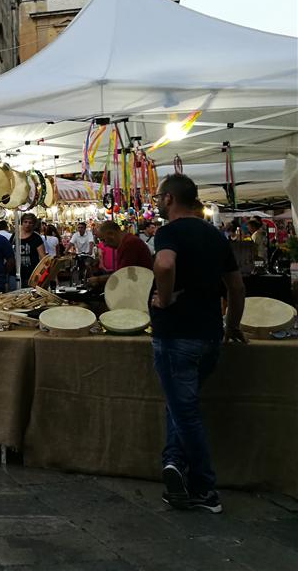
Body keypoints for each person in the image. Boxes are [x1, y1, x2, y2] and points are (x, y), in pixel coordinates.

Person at [150, 174, 245, 514]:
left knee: (185, 412)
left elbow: (164, 264)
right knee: (179, 404)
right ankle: (175, 466)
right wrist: (231, 324)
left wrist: (164, 298)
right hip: (208, 335)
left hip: (177, 335)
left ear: (171, 199)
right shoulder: (215, 236)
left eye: (160, 197)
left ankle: (205, 489)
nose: (159, 203)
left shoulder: (170, 232)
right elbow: (236, 287)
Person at [87, 220, 153, 288]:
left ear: (111, 234)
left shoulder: (129, 243)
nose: (105, 245)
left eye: (104, 240)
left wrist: (98, 280)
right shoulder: (126, 242)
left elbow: (123, 275)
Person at [14, 214, 45, 288]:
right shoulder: (14, 236)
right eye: (25, 222)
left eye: (30, 223)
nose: (27, 224)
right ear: (22, 223)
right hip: (15, 273)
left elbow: (42, 256)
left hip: (31, 274)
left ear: (33, 225)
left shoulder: (36, 238)